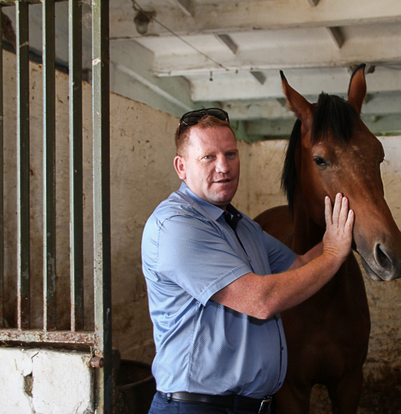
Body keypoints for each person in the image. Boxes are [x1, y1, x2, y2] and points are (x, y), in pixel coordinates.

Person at [141, 108, 355, 414]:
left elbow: (299, 265)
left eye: (230, 154)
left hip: (249, 407)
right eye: (208, 157)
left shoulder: (241, 225)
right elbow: (260, 301)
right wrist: (334, 254)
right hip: (198, 408)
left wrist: (345, 229)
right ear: (181, 167)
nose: (223, 167)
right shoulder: (177, 226)